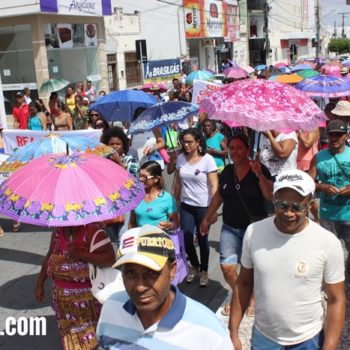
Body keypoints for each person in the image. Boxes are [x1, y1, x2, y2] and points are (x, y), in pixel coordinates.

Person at [229, 169, 345, 350]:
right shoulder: (253, 232)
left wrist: (328, 347)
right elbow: (243, 283)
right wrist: (233, 332)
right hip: (264, 338)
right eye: (282, 205)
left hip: (308, 340)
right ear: (273, 200)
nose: (288, 213)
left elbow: (336, 300)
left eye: (297, 206)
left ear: (309, 203)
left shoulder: (328, 242)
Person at [97, 225, 234, 350]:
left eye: (151, 273)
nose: (140, 287)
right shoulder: (111, 308)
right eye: (130, 273)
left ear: (172, 270)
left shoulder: (210, 333)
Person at [200, 134, 273, 316]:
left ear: (248, 150)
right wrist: (207, 217)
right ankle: (242, 294)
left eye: (239, 147)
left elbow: (270, 196)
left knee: (251, 267)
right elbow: (219, 197)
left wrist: (258, 175)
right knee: (227, 267)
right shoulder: (226, 171)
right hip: (230, 227)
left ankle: (253, 298)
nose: (235, 151)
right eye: (231, 148)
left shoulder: (259, 169)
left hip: (254, 228)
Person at [35, 223, 116, 350]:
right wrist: (40, 283)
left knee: (92, 339)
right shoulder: (57, 233)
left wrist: (80, 254)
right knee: (70, 338)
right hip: (62, 303)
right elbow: (49, 256)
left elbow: (110, 259)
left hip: (89, 303)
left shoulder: (94, 232)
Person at [172, 128, 218, 287]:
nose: (186, 145)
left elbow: (214, 185)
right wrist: (174, 203)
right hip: (186, 205)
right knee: (186, 238)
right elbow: (177, 182)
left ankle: (204, 270)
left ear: (198, 142)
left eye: (190, 142)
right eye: (184, 142)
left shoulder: (208, 160)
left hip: (203, 207)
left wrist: (213, 210)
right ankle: (195, 267)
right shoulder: (180, 159)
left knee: (202, 239)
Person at [309, 119, 350, 274]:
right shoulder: (319, 157)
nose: (335, 138)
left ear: (346, 136)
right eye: (332, 135)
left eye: (339, 135)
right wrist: (322, 187)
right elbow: (308, 182)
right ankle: (332, 281)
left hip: (348, 214)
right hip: (327, 215)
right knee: (328, 253)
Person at [101, 126, 139, 242]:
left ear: (123, 145)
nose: (114, 147)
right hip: (109, 204)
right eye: (111, 144)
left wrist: (119, 163)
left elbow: (133, 181)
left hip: (125, 203)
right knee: (113, 237)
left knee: (123, 237)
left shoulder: (130, 159)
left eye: (118, 144)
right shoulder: (102, 162)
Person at [129, 161, 178, 231]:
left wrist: (168, 225)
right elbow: (132, 222)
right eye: (139, 176)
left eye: (144, 177)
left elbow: (176, 223)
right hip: (140, 240)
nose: (140, 179)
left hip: (160, 240)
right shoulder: (136, 196)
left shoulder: (167, 198)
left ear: (156, 179)